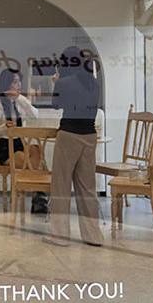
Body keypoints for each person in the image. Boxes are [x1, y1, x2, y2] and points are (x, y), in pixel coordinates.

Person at [45, 45, 104, 246]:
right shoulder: (94, 84)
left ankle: (60, 236)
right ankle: (93, 236)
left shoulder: (64, 82)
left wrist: (56, 83)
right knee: (88, 188)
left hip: (69, 135)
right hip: (89, 137)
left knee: (61, 186)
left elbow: (56, 105)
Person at [0, 68, 47, 213]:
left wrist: (19, 97)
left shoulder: (20, 103)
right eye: (15, 82)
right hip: (6, 147)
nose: (19, 84)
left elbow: (35, 115)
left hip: (21, 144)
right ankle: (39, 196)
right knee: (30, 161)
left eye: (19, 81)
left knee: (37, 150)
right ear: (7, 83)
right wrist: (5, 127)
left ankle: (38, 195)